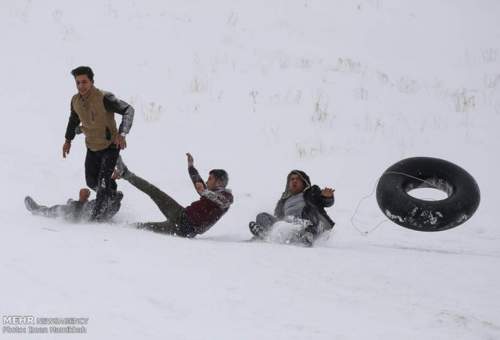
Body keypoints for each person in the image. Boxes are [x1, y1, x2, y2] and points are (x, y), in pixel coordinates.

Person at [62, 66, 134, 221]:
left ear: (92, 81)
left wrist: (122, 134)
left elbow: (129, 110)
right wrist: (68, 140)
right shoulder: (75, 101)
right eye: (78, 83)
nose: (81, 86)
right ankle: (112, 196)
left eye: (84, 82)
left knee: (102, 183)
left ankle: (94, 221)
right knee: (91, 182)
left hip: (110, 147)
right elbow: (73, 120)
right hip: (92, 147)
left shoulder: (104, 97)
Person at [112, 153, 233, 238]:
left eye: (210, 179)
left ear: (219, 182)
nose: (207, 182)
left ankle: (124, 230)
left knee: (146, 227)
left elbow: (221, 201)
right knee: (153, 191)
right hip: (180, 214)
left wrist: (204, 191)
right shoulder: (210, 193)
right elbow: (199, 182)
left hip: (183, 229)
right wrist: (191, 167)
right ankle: (125, 173)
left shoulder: (227, 197)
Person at [248, 170, 335, 246]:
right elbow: (279, 219)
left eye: (298, 179)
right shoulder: (283, 202)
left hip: (311, 225)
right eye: (292, 179)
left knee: (308, 210)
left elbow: (325, 202)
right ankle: (267, 235)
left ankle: (308, 236)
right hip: (290, 227)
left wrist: (327, 197)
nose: (294, 181)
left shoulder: (312, 192)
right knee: (262, 216)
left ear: (304, 182)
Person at [24, 188, 123, 222]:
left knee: (58, 210)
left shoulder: (109, 204)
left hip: (78, 213)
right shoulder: (113, 206)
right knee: (62, 208)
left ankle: (36, 210)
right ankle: (37, 210)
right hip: (80, 211)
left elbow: (89, 208)